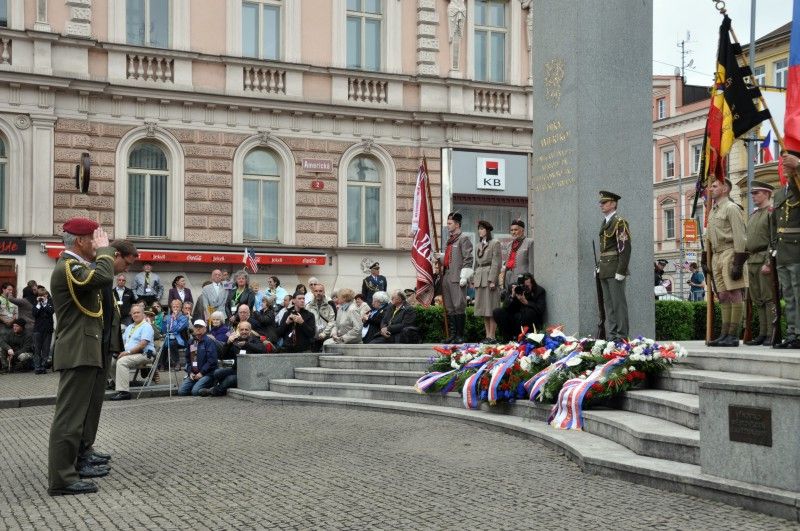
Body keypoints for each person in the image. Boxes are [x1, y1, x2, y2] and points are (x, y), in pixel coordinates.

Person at [47, 218, 114, 496]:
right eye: (93, 239)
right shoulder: (69, 266)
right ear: (80, 241)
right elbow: (103, 277)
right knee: (69, 418)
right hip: (77, 350)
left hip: (82, 349)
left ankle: (69, 469)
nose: (97, 243)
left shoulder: (75, 266)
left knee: (75, 417)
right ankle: (61, 479)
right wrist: (106, 251)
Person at [82, 239, 138, 472]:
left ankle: (86, 448)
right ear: (116, 255)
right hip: (92, 349)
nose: (127, 269)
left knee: (93, 405)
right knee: (84, 407)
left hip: (103, 349)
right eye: (127, 263)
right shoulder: (98, 275)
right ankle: (80, 455)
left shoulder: (108, 280)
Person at [703, 179, 748, 347]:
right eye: (711, 186)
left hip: (730, 251)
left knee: (734, 292)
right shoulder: (712, 211)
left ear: (725, 188)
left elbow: (740, 236)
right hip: (716, 254)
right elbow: (708, 237)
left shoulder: (731, 208)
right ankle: (724, 333)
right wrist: (704, 257)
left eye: (714, 186)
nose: (710, 189)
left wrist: (738, 262)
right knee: (722, 295)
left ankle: (733, 334)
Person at [772, 152, 800, 349]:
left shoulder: (798, 187)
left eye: (787, 163)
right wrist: (773, 248)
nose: (784, 166)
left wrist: (799, 166)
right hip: (782, 250)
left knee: (798, 294)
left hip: (797, 249)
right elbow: (774, 224)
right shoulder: (780, 193)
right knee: (788, 295)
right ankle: (792, 333)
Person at [744, 180, 777, 346]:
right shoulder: (754, 215)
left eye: (756, 193)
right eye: (752, 193)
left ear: (767, 193)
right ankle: (763, 333)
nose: (753, 196)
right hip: (752, 260)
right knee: (758, 299)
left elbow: (774, 239)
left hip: (764, 258)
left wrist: (769, 262)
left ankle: (772, 333)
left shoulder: (771, 213)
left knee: (769, 298)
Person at [201, 320, 269, 397]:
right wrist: (228, 343)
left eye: (246, 330)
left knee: (230, 379)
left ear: (250, 331)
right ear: (239, 331)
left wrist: (246, 344)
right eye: (242, 329)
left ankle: (214, 391)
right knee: (217, 372)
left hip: (249, 373)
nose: (244, 332)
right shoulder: (236, 340)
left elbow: (262, 349)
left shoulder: (255, 339)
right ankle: (220, 387)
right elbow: (223, 356)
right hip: (236, 369)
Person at [597, 191, 631, 341]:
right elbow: (604, 249)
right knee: (609, 306)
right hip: (605, 268)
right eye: (601, 203)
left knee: (618, 305)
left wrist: (621, 270)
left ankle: (621, 336)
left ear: (613, 204)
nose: (601, 205)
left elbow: (624, 247)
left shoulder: (619, 222)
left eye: (604, 202)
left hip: (615, 268)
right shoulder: (605, 222)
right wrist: (599, 266)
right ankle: (612, 336)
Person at [108, 305, 155, 401]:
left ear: (143, 314)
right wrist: (118, 352)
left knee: (122, 361)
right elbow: (123, 342)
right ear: (131, 315)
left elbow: (142, 345)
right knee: (110, 361)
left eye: (138, 312)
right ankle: (119, 384)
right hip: (130, 354)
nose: (136, 314)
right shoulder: (130, 327)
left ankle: (124, 392)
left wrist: (127, 352)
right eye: (134, 313)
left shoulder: (146, 326)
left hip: (145, 354)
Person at [440, 212, 474, 343]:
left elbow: (468, 258)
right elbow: (450, 259)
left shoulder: (463, 238)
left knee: (458, 305)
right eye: (447, 223)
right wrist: (440, 257)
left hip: (458, 277)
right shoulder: (450, 240)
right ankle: (453, 335)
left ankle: (460, 335)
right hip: (447, 275)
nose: (448, 226)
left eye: (450, 223)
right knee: (449, 307)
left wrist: (464, 276)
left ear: (457, 224)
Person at [473, 220, 502, 343]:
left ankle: (492, 336)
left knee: (491, 308)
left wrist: (492, 280)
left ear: (487, 230)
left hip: (489, 275)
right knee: (484, 309)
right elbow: (476, 264)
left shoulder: (495, 243)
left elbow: (496, 262)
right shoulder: (478, 245)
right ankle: (487, 335)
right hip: (480, 277)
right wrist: (473, 279)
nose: (480, 231)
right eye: (479, 229)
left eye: (482, 228)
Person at [492, 273, 547, 339]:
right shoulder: (514, 288)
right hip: (515, 318)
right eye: (523, 286)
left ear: (532, 283)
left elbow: (540, 310)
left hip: (530, 320)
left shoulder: (539, 291)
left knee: (529, 312)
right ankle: (507, 339)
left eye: (527, 286)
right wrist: (512, 296)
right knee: (497, 312)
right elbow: (505, 307)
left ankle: (526, 338)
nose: (524, 288)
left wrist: (526, 302)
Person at [178, 319, 219, 396]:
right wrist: (190, 372)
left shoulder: (209, 341)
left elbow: (212, 360)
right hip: (194, 374)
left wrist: (201, 373)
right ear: (193, 328)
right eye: (196, 327)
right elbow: (188, 359)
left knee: (195, 392)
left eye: (200, 327)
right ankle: (198, 385)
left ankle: (211, 388)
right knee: (181, 392)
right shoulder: (191, 342)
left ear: (205, 329)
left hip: (207, 374)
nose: (198, 328)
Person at [501, 219, 535, 289]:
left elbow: (532, 264)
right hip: (509, 277)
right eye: (512, 230)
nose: (513, 232)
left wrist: (530, 280)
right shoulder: (509, 245)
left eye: (516, 230)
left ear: (522, 230)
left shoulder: (529, 242)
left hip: (522, 279)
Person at [160, 298, 189, 370]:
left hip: (180, 340)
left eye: (177, 306)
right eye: (174, 306)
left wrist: (175, 319)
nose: (175, 308)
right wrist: (164, 321)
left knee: (171, 343)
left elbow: (177, 329)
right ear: (171, 307)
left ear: (180, 308)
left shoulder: (184, 318)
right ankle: (162, 364)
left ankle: (177, 363)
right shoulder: (168, 317)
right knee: (163, 344)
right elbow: (163, 330)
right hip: (169, 338)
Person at [32, 286, 55, 374]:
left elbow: (51, 311)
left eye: (44, 295)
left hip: (48, 329)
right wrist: (38, 304)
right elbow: (34, 313)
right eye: (40, 296)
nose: (42, 297)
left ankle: (43, 366)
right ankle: (37, 368)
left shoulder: (50, 302)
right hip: (38, 330)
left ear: (46, 295)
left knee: (46, 350)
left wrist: (45, 303)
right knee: (37, 349)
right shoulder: (35, 302)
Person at [306, 283, 335, 350]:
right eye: (316, 291)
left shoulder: (329, 305)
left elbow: (332, 321)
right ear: (313, 292)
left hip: (326, 338)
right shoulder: (308, 306)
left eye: (320, 291)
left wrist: (324, 334)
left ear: (324, 292)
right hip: (313, 339)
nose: (318, 293)